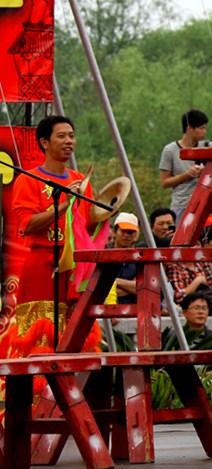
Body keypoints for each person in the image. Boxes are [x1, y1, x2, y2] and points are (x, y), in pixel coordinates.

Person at [8, 115, 127, 356]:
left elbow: (85, 227)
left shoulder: (80, 181)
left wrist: (105, 211)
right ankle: (36, 393)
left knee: (76, 340)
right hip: (43, 269)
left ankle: (72, 392)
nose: (69, 141)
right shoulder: (28, 180)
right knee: (39, 340)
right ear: (44, 142)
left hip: (75, 270)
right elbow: (27, 225)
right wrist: (62, 205)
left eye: (72, 136)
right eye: (61, 136)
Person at [159, 109, 212, 221]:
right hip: (181, 205)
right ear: (189, 129)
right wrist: (187, 174)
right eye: (201, 128)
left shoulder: (208, 146)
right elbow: (165, 182)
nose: (204, 131)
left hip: (205, 202)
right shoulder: (170, 150)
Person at [166, 222, 212, 308]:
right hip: (188, 308)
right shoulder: (175, 267)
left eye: (197, 244)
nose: (194, 248)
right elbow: (178, 297)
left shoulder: (204, 264)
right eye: (190, 245)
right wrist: (197, 281)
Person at [112, 213, 144, 305]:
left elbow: (142, 287)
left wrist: (115, 281)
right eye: (123, 231)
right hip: (107, 312)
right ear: (115, 232)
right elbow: (102, 290)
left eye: (130, 232)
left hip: (135, 312)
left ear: (136, 235)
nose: (126, 235)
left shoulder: (141, 258)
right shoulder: (103, 256)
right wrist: (130, 286)